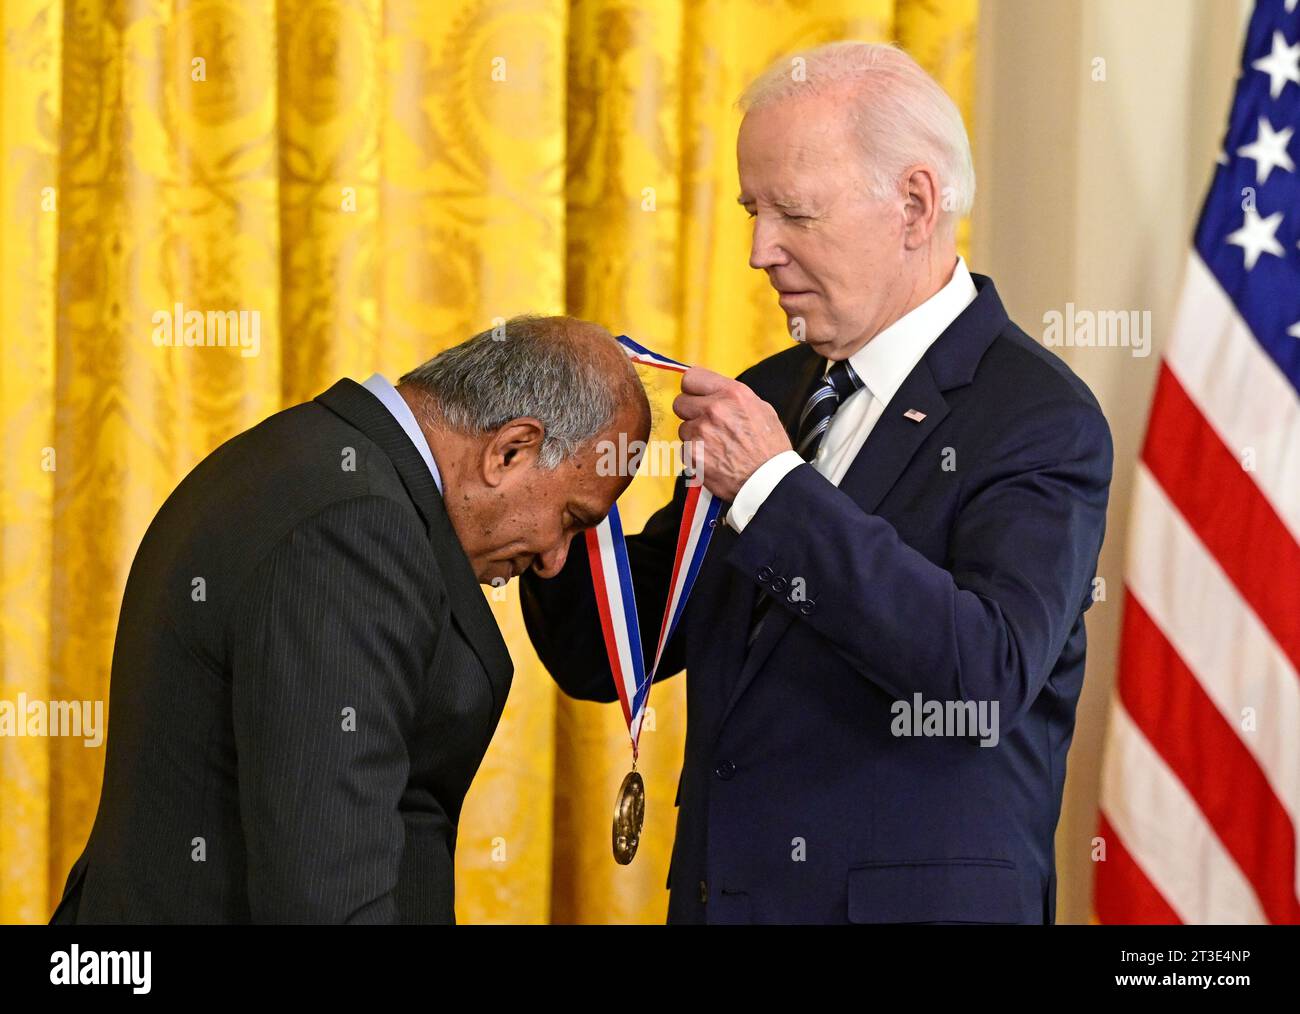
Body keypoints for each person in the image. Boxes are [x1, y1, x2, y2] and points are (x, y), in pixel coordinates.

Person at [522, 42, 1113, 924]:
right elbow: (613, 649)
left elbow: (982, 676)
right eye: (752, 210)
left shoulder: (1037, 416)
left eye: (795, 213)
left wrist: (771, 487)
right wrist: (549, 502)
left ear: (915, 204)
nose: (761, 251)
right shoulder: (772, 391)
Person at [51, 315, 649, 923]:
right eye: (573, 518)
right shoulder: (359, 526)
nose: (555, 560)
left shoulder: (310, 456)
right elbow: (326, 891)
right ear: (510, 449)